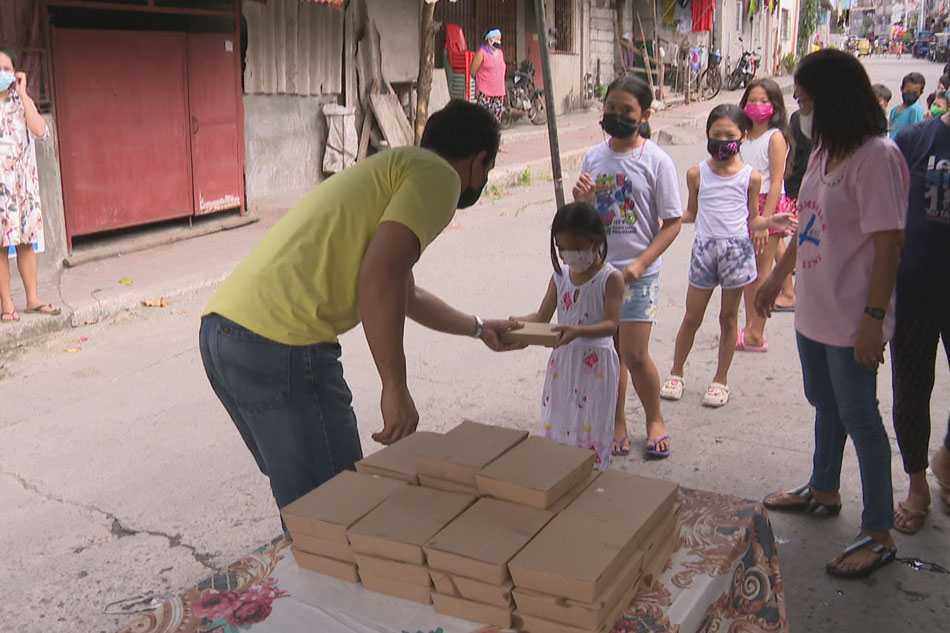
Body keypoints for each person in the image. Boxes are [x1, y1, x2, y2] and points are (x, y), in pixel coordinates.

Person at [199, 100, 523, 513]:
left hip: (222, 333)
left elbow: (404, 292)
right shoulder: (440, 176)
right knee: (337, 513)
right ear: (478, 160)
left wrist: (478, 328)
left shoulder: (393, 169)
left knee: (307, 500)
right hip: (281, 341)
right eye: (487, 171)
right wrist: (395, 386)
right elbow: (380, 277)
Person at [757, 49, 908, 578]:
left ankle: (879, 529)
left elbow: (889, 244)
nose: (797, 109)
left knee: (861, 416)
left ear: (833, 99)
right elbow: (810, 223)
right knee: (825, 403)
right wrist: (778, 277)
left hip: (851, 317)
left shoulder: (877, 157)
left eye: (803, 99)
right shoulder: (824, 151)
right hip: (814, 312)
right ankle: (823, 486)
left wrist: (873, 317)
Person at [572, 75, 682, 458]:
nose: (616, 116)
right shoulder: (594, 157)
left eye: (626, 111)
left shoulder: (657, 162)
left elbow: (672, 224)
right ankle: (615, 421)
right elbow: (585, 220)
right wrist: (582, 202)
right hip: (600, 274)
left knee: (634, 355)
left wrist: (641, 263)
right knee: (609, 352)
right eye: (610, 109)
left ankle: (655, 418)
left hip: (638, 274)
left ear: (645, 115)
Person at [661, 105, 795, 408]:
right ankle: (676, 373)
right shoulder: (696, 173)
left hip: (737, 252)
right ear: (707, 135)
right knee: (691, 316)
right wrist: (665, 219)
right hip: (704, 252)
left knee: (728, 318)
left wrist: (773, 222)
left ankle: (720, 380)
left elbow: (753, 218)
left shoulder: (752, 178)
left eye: (729, 135)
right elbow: (691, 212)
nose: (722, 140)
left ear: (743, 137)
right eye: (716, 134)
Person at [512, 202, 624, 470]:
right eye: (562, 249)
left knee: (590, 422)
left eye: (576, 248)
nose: (569, 255)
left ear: (596, 240)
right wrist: (517, 323)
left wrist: (577, 332)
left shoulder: (611, 278)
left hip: (596, 364)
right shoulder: (560, 276)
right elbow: (542, 316)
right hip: (564, 363)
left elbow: (611, 325)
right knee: (561, 420)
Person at [888, 101, 950, 534]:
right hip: (915, 288)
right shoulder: (914, 140)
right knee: (911, 389)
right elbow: (883, 212)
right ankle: (916, 485)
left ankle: (946, 456)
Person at [0, 48, 59, 323]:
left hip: (22, 186)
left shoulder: (20, 101)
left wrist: (23, 94)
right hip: (1, 187)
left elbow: (40, 130)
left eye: (6, 69)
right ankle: (7, 305)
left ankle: (32, 299)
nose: (1, 74)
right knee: (0, 245)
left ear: (15, 73)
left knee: (25, 242)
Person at [737, 78, 791, 352]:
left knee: (762, 273)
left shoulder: (776, 137)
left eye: (763, 101)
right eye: (752, 100)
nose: (756, 106)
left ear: (775, 106)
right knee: (748, 273)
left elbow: (777, 182)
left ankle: (756, 333)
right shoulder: (744, 136)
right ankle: (750, 328)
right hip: (746, 206)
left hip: (767, 208)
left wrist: (763, 221)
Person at [773, 109, 814, 312]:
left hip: (797, 186)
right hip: (796, 183)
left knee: (781, 237)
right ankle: (792, 291)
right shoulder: (799, 118)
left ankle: (791, 293)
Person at [470, 28, 507, 123]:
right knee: (483, 120)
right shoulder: (481, 53)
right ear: (489, 39)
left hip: (499, 92)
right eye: (496, 38)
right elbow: (473, 72)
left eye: (499, 39)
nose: (498, 41)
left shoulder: (500, 53)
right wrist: (482, 81)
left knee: (496, 121)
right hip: (484, 92)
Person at [889, 72, 925, 139]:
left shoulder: (915, 109)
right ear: (902, 89)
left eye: (915, 93)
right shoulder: (894, 109)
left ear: (921, 93)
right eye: (908, 91)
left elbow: (916, 135)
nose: (911, 95)